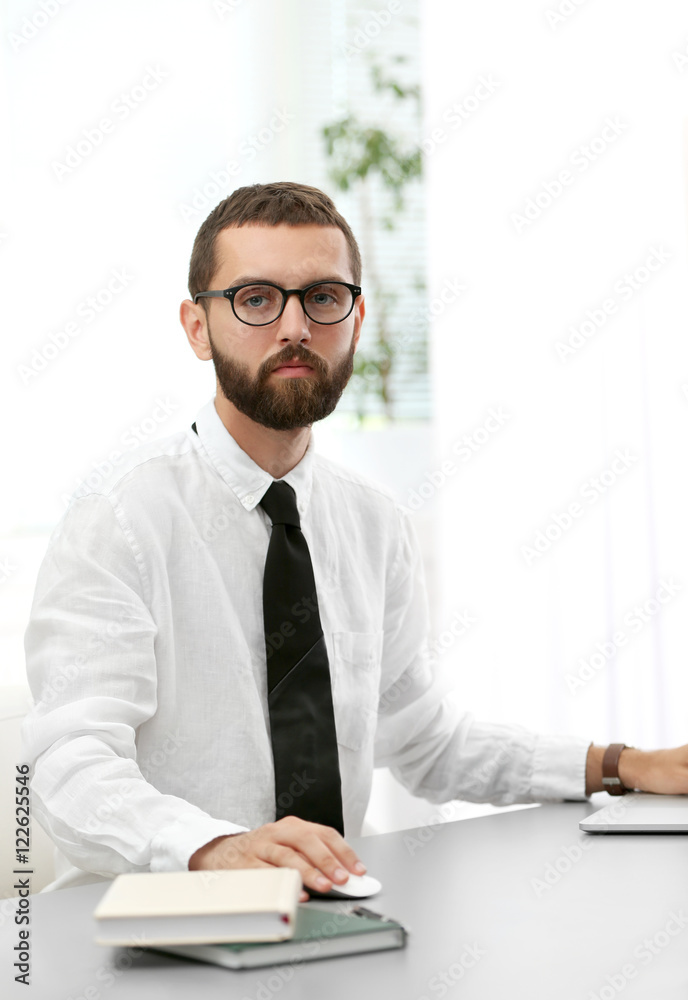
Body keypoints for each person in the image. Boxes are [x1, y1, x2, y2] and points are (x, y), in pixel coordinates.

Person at [21, 181, 688, 899]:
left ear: (356, 318)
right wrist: (216, 847)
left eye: (322, 298)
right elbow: (69, 764)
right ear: (196, 327)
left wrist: (622, 763)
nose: (294, 327)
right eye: (255, 299)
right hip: (145, 931)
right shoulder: (119, 520)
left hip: (330, 920)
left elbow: (425, 740)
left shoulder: (373, 523)